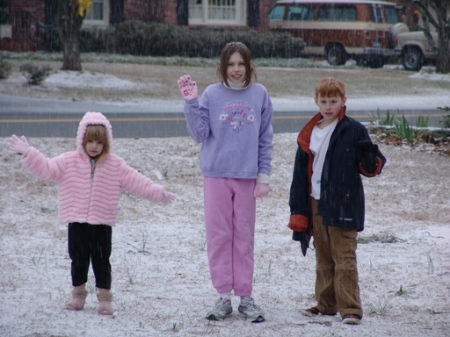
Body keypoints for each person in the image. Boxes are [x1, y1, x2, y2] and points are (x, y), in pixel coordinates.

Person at [7, 111, 175, 316]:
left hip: (102, 222)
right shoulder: (68, 161)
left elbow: (137, 182)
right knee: (78, 259)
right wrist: (28, 153)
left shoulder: (115, 165)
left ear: (106, 143)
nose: (94, 146)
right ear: (82, 141)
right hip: (76, 220)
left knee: (102, 260)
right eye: (89, 141)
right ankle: (78, 295)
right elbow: (47, 168)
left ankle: (104, 299)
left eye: (99, 142)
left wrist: (158, 193)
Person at [177, 41, 273, 323]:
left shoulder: (260, 95)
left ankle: (246, 298)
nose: (236, 69)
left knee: (244, 237)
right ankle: (223, 298)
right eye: (230, 64)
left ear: (249, 66)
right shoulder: (211, 94)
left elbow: (265, 139)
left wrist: (263, 176)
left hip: (246, 178)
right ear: (223, 67)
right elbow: (199, 134)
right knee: (219, 237)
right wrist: (191, 103)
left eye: (241, 64)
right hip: (216, 176)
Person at [288, 77, 386, 325]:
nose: (328, 106)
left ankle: (350, 307)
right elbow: (300, 173)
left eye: (334, 101)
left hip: (344, 201)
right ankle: (326, 304)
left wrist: (370, 157)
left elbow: (372, 166)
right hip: (316, 201)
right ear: (316, 101)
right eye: (324, 101)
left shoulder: (353, 130)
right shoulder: (310, 132)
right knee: (323, 255)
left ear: (344, 101)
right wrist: (298, 210)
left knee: (344, 256)